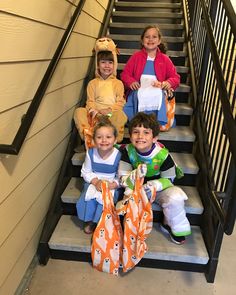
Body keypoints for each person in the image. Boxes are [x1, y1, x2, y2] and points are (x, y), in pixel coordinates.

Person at [118, 112, 191, 244]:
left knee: (176, 196)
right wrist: (135, 176)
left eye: (146, 132)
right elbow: (123, 178)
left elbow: (169, 180)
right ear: (130, 136)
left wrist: (153, 185)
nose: (140, 136)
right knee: (127, 199)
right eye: (136, 132)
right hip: (136, 188)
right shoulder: (128, 152)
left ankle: (169, 224)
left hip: (158, 189)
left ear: (155, 138)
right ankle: (130, 229)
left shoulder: (163, 155)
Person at [120, 25, 180, 128]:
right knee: (137, 95)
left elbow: (175, 77)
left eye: (154, 37)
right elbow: (125, 74)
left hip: (157, 89)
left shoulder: (164, 59)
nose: (150, 39)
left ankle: (155, 123)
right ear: (142, 40)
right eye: (147, 37)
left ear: (159, 40)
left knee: (158, 94)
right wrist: (131, 82)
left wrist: (167, 83)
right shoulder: (136, 57)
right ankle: (138, 123)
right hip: (139, 89)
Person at [76, 119, 122, 234]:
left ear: (115, 139)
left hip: (111, 182)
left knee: (105, 200)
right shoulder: (91, 153)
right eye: (99, 137)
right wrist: (96, 182)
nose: (104, 140)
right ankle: (90, 220)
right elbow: (86, 171)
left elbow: (121, 176)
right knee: (89, 198)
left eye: (108, 137)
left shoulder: (119, 155)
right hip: (94, 180)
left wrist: (113, 184)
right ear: (94, 140)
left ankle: (100, 221)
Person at [74, 46, 127, 145]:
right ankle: (88, 137)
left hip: (110, 114)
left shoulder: (118, 83)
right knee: (79, 111)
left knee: (120, 115)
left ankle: (115, 139)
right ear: (98, 65)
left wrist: (108, 110)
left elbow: (120, 102)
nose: (107, 66)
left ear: (114, 65)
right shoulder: (93, 83)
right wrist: (95, 111)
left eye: (110, 63)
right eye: (103, 62)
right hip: (95, 116)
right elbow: (90, 101)